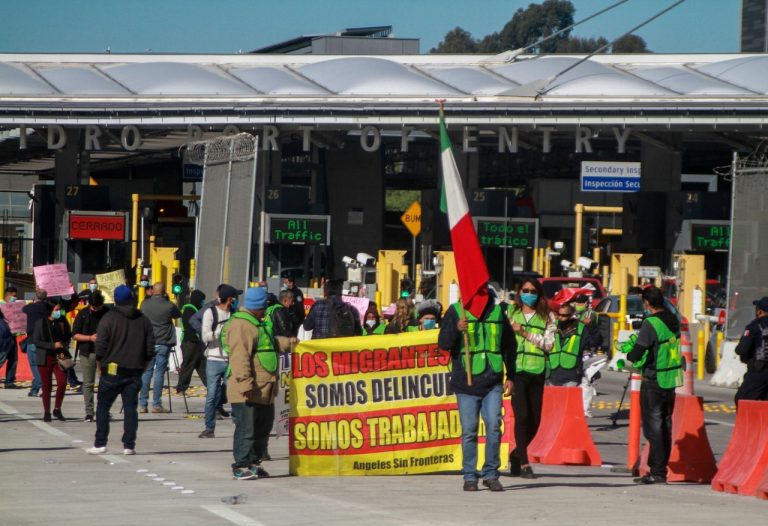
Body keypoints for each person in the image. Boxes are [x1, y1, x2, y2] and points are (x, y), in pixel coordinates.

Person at [438, 287, 516, 492]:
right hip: (466, 382)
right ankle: (470, 476)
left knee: (493, 426)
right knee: (470, 430)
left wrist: (511, 377)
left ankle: (491, 474)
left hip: (493, 381)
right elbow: (444, 343)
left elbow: (510, 346)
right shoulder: (456, 311)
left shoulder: (498, 313)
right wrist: (456, 328)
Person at [222, 286, 283, 480]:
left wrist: (291, 343)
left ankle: (254, 462)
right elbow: (240, 358)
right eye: (265, 304)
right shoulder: (241, 325)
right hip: (247, 389)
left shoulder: (259, 323)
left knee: (262, 427)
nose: (266, 308)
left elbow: (269, 344)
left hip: (264, 388)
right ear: (258, 305)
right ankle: (241, 465)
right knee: (246, 428)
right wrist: (246, 384)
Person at [87, 285, 155, 455]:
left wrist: (100, 367)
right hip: (134, 370)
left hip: (111, 369)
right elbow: (149, 349)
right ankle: (129, 445)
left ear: (115, 300)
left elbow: (100, 347)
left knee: (103, 406)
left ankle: (100, 443)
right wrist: (143, 367)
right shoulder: (143, 320)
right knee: (130, 408)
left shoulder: (108, 319)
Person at [627, 286, 683, 484]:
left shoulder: (651, 323)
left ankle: (657, 471)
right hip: (670, 379)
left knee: (653, 428)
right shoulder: (673, 320)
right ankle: (659, 468)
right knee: (665, 425)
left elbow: (639, 349)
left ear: (647, 303)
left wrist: (630, 356)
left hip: (653, 379)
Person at [506, 278, 556, 479]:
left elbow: (549, 344)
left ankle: (516, 454)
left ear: (539, 293)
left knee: (535, 420)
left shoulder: (547, 317)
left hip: (537, 371)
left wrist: (525, 333)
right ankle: (525, 463)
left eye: (533, 290)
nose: (529, 294)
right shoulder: (511, 313)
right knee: (522, 417)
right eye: (525, 290)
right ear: (519, 293)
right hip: (517, 371)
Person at [199, 284, 241, 438]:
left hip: (231, 359)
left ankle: (239, 426)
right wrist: (221, 332)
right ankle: (209, 427)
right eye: (234, 298)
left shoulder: (235, 314)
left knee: (234, 393)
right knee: (212, 394)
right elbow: (205, 336)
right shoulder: (210, 313)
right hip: (214, 359)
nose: (236, 301)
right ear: (229, 299)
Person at [139, 282, 181, 413]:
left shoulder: (144, 304)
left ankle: (142, 404)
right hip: (164, 342)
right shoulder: (168, 305)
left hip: (148, 342)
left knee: (146, 372)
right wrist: (167, 299)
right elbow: (178, 314)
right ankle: (156, 404)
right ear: (164, 292)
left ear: (152, 291)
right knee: (159, 373)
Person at [31, 300, 72, 422]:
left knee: (62, 382)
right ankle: (47, 411)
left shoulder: (63, 321)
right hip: (45, 357)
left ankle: (57, 408)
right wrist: (52, 345)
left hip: (60, 357)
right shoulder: (40, 323)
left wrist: (63, 345)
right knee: (46, 385)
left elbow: (67, 336)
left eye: (59, 309)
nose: (59, 312)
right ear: (50, 311)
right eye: (56, 310)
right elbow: (37, 341)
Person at [72, 291, 109, 422]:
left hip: (105, 353)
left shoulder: (108, 313)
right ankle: (89, 412)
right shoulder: (83, 314)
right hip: (87, 352)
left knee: (106, 382)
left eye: (98, 306)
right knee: (88, 383)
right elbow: (75, 334)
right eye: (93, 306)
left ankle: (104, 410)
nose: (95, 309)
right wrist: (89, 338)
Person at [733, 296, 768, 403]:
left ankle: (749, 420)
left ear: (760, 311)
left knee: (742, 400)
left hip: (758, 372)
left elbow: (742, 350)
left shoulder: (754, 326)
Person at [175, 289, 207, 394]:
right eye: (202, 300)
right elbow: (191, 327)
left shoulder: (196, 310)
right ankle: (181, 388)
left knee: (202, 365)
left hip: (197, 342)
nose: (203, 302)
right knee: (188, 365)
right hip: (190, 342)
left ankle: (211, 386)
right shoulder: (189, 310)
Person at [22, 289, 47, 397]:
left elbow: (24, 308)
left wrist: (34, 301)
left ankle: (38, 385)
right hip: (44, 341)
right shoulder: (47, 307)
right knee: (41, 365)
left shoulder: (31, 307)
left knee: (34, 365)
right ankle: (37, 389)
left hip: (32, 340)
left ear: (36, 297)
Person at [0, 287, 19, 388]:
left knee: (13, 359)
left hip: (13, 336)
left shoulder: (16, 306)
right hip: (3, 337)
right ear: (7, 295)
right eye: (14, 296)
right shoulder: (1, 305)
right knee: (1, 358)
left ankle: (9, 381)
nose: (15, 298)